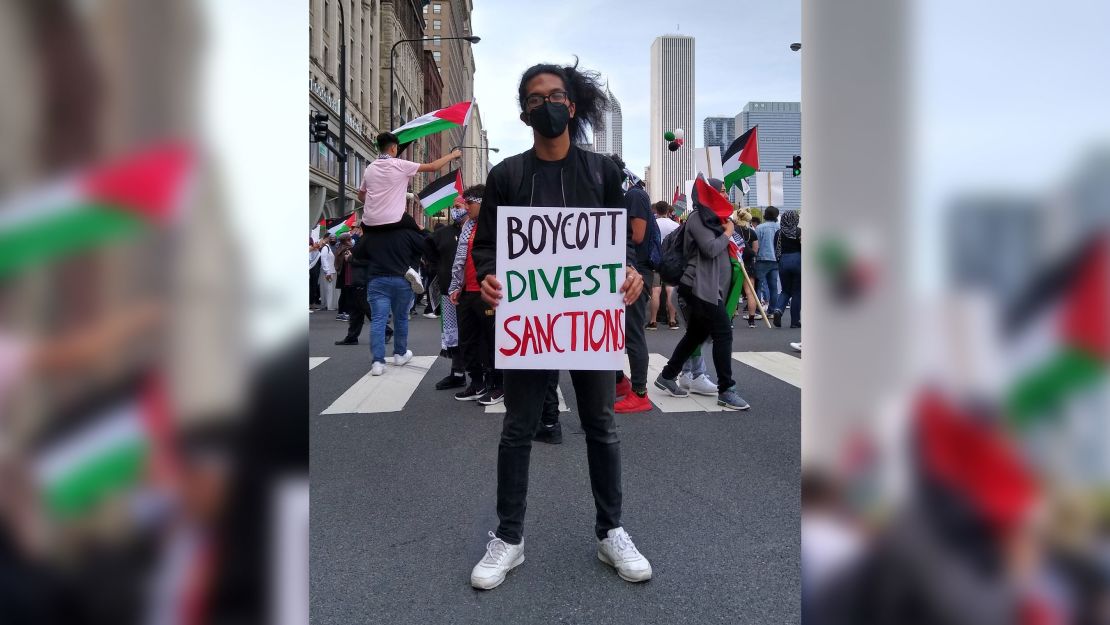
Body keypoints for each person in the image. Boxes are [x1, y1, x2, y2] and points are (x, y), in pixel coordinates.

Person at [469, 60, 651, 590]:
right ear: (524, 112)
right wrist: (489, 277)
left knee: (601, 425)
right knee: (518, 428)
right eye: (534, 98)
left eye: (554, 95)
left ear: (571, 105)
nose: (545, 104)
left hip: (587, 322)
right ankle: (509, 538)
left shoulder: (604, 172)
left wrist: (629, 272)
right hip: (530, 324)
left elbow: (619, 242)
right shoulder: (506, 175)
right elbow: (486, 246)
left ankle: (611, 530)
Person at [653, 177, 750, 411]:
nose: (726, 195)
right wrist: (727, 233)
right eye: (723, 191)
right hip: (699, 286)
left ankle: (667, 375)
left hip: (709, 286)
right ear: (711, 194)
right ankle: (727, 390)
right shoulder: (698, 217)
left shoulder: (715, 218)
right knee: (723, 333)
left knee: (695, 335)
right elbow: (710, 249)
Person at [359, 201, 428, 376]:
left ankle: (377, 362)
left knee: (378, 320)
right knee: (401, 318)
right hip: (401, 279)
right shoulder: (407, 233)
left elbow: (357, 254)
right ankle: (400, 353)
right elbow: (427, 246)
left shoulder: (373, 233)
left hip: (377, 280)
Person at [448, 186, 502, 405]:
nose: (465, 207)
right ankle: (477, 382)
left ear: (482, 202)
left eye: (470, 202)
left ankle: (498, 385)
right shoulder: (467, 227)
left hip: (486, 292)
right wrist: (455, 286)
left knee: (491, 341)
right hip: (467, 291)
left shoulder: (496, 225)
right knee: (468, 341)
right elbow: (460, 260)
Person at [608, 154, 654, 414]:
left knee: (632, 333)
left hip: (636, 272)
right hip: (626, 270)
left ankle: (639, 392)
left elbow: (635, 237)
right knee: (618, 332)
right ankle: (620, 382)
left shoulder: (634, 196)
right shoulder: (625, 195)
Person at [357, 132, 461, 227]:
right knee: (420, 235)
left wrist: (376, 202)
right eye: (397, 148)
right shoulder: (400, 165)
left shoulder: (369, 168)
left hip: (368, 223)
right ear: (393, 148)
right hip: (392, 222)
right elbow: (433, 167)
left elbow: (361, 196)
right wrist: (452, 155)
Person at [424, 197, 469, 390]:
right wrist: (439, 268)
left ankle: (483, 377)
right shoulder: (442, 234)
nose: (455, 210)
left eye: (458, 207)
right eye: (454, 207)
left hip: (473, 292)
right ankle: (457, 373)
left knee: (474, 334)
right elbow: (428, 249)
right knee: (454, 335)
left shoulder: (480, 230)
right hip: (448, 292)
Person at [335, 233, 393, 346]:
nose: (351, 240)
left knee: (367, 309)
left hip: (361, 281)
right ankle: (352, 337)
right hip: (350, 283)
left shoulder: (367, 247)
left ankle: (386, 330)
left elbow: (369, 262)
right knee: (355, 312)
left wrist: (351, 259)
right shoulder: (349, 248)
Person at [650, 201, 680, 330]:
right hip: (671, 260)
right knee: (671, 290)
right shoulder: (675, 225)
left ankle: (653, 321)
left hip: (656, 260)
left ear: (656, 210)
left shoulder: (652, 223)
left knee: (655, 290)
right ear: (668, 210)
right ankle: (672, 320)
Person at [772, 209, 802, 329]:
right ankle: (795, 321)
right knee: (797, 292)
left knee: (785, 290)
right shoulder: (799, 232)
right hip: (798, 261)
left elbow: (777, 250)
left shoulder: (778, 233)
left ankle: (778, 310)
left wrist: (780, 262)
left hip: (783, 261)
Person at [735, 209, 762, 328]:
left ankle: (730, 320)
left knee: (733, 292)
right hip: (749, 263)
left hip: (735, 262)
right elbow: (755, 250)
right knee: (750, 292)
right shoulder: (752, 232)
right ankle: (751, 320)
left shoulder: (733, 230)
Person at [754, 205, 781, 309]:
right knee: (773, 286)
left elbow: (757, 245)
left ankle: (757, 310)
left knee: (758, 285)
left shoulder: (760, 227)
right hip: (776, 259)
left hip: (762, 259)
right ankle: (772, 310)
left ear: (765, 214)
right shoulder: (780, 227)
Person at [333, 232, 354, 322]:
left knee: (343, 294)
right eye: (349, 239)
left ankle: (340, 313)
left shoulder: (339, 248)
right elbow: (349, 261)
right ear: (346, 240)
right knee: (348, 295)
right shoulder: (347, 249)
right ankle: (346, 313)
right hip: (347, 275)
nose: (351, 241)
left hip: (341, 274)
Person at [317, 234, 337, 311]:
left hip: (334, 272)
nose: (333, 240)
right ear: (328, 239)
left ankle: (332, 305)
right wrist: (327, 271)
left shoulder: (336, 247)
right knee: (328, 289)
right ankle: (328, 305)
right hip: (327, 272)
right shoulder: (325, 248)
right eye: (331, 239)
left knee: (333, 289)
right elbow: (323, 259)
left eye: (334, 239)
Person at [309, 236, 323, 310]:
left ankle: (312, 303)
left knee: (313, 285)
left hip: (314, 266)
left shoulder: (312, 238)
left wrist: (316, 247)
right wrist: (313, 247)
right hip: (310, 266)